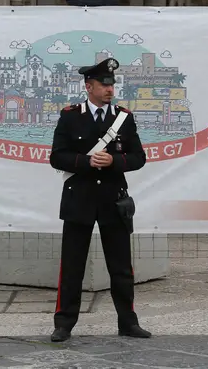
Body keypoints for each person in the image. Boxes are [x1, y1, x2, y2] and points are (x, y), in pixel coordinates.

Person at [48, 57, 150, 342]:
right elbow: (57, 156)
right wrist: (87, 161)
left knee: (121, 267)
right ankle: (64, 324)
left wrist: (114, 161)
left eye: (112, 84)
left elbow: (139, 157)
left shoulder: (123, 118)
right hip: (79, 199)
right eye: (104, 85)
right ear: (88, 86)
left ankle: (128, 322)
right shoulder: (70, 115)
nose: (109, 90)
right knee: (72, 266)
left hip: (112, 200)